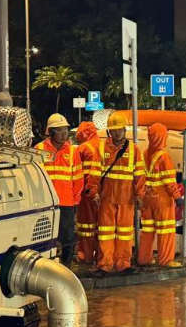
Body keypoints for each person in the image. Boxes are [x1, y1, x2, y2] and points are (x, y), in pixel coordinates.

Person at [92, 113, 145, 273]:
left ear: (124, 130)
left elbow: (140, 175)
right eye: (113, 130)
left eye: (119, 130)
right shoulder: (101, 148)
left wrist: (140, 195)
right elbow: (95, 173)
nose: (116, 133)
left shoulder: (134, 150)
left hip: (126, 199)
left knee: (124, 234)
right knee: (105, 233)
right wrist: (94, 192)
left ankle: (123, 264)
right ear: (109, 131)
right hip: (106, 199)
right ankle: (105, 264)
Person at [36, 113, 83, 264]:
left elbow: (77, 177)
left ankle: (66, 266)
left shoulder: (72, 151)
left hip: (66, 202)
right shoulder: (39, 149)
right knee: (44, 236)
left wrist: (76, 200)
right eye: (59, 130)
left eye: (65, 130)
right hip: (45, 203)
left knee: (68, 237)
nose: (64, 134)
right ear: (50, 132)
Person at [139, 123, 184, 269]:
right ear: (163, 138)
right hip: (162, 200)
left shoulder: (144, 153)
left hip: (147, 199)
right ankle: (165, 260)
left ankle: (144, 258)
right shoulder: (164, 157)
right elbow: (169, 181)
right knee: (165, 231)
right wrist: (177, 197)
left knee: (147, 231)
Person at [74, 121, 103, 265]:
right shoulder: (103, 145)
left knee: (86, 226)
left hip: (86, 193)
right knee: (102, 226)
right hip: (102, 192)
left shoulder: (82, 148)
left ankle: (85, 256)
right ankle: (101, 256)